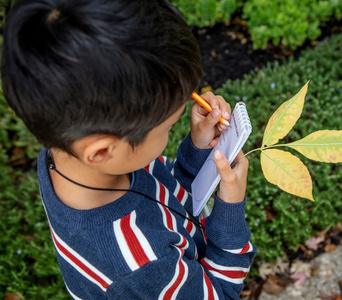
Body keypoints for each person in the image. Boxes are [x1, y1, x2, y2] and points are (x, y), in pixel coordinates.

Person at [1, 0, 256, 298]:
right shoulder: (140, 264)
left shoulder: (68, 156)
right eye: (168, 128)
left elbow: (167, 197)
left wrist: (197, 149)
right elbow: (221, 294)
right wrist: (229, 210)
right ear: (100, 151)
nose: (171, 131)